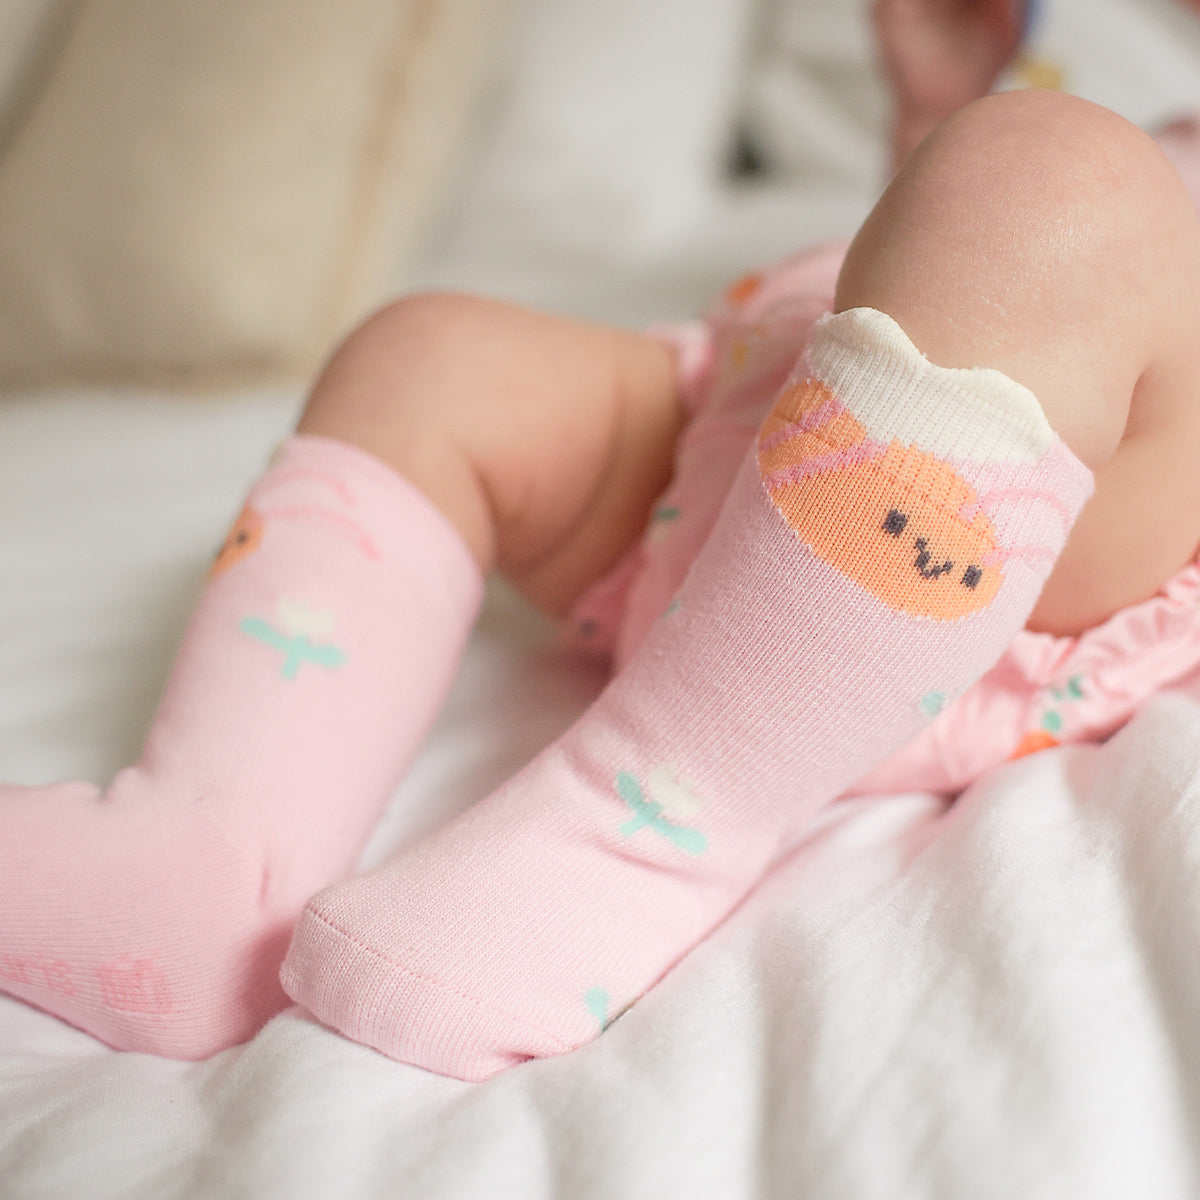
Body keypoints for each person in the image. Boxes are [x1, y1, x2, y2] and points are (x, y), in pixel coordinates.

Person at [6, 1, 1200, 1081]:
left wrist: (1015, 163)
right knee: (428, 356)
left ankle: (651, 823)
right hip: (751, 421)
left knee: (1058, 172)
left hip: (1029, 551)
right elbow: (959, 288)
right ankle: (211, 857)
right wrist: (940, 111)